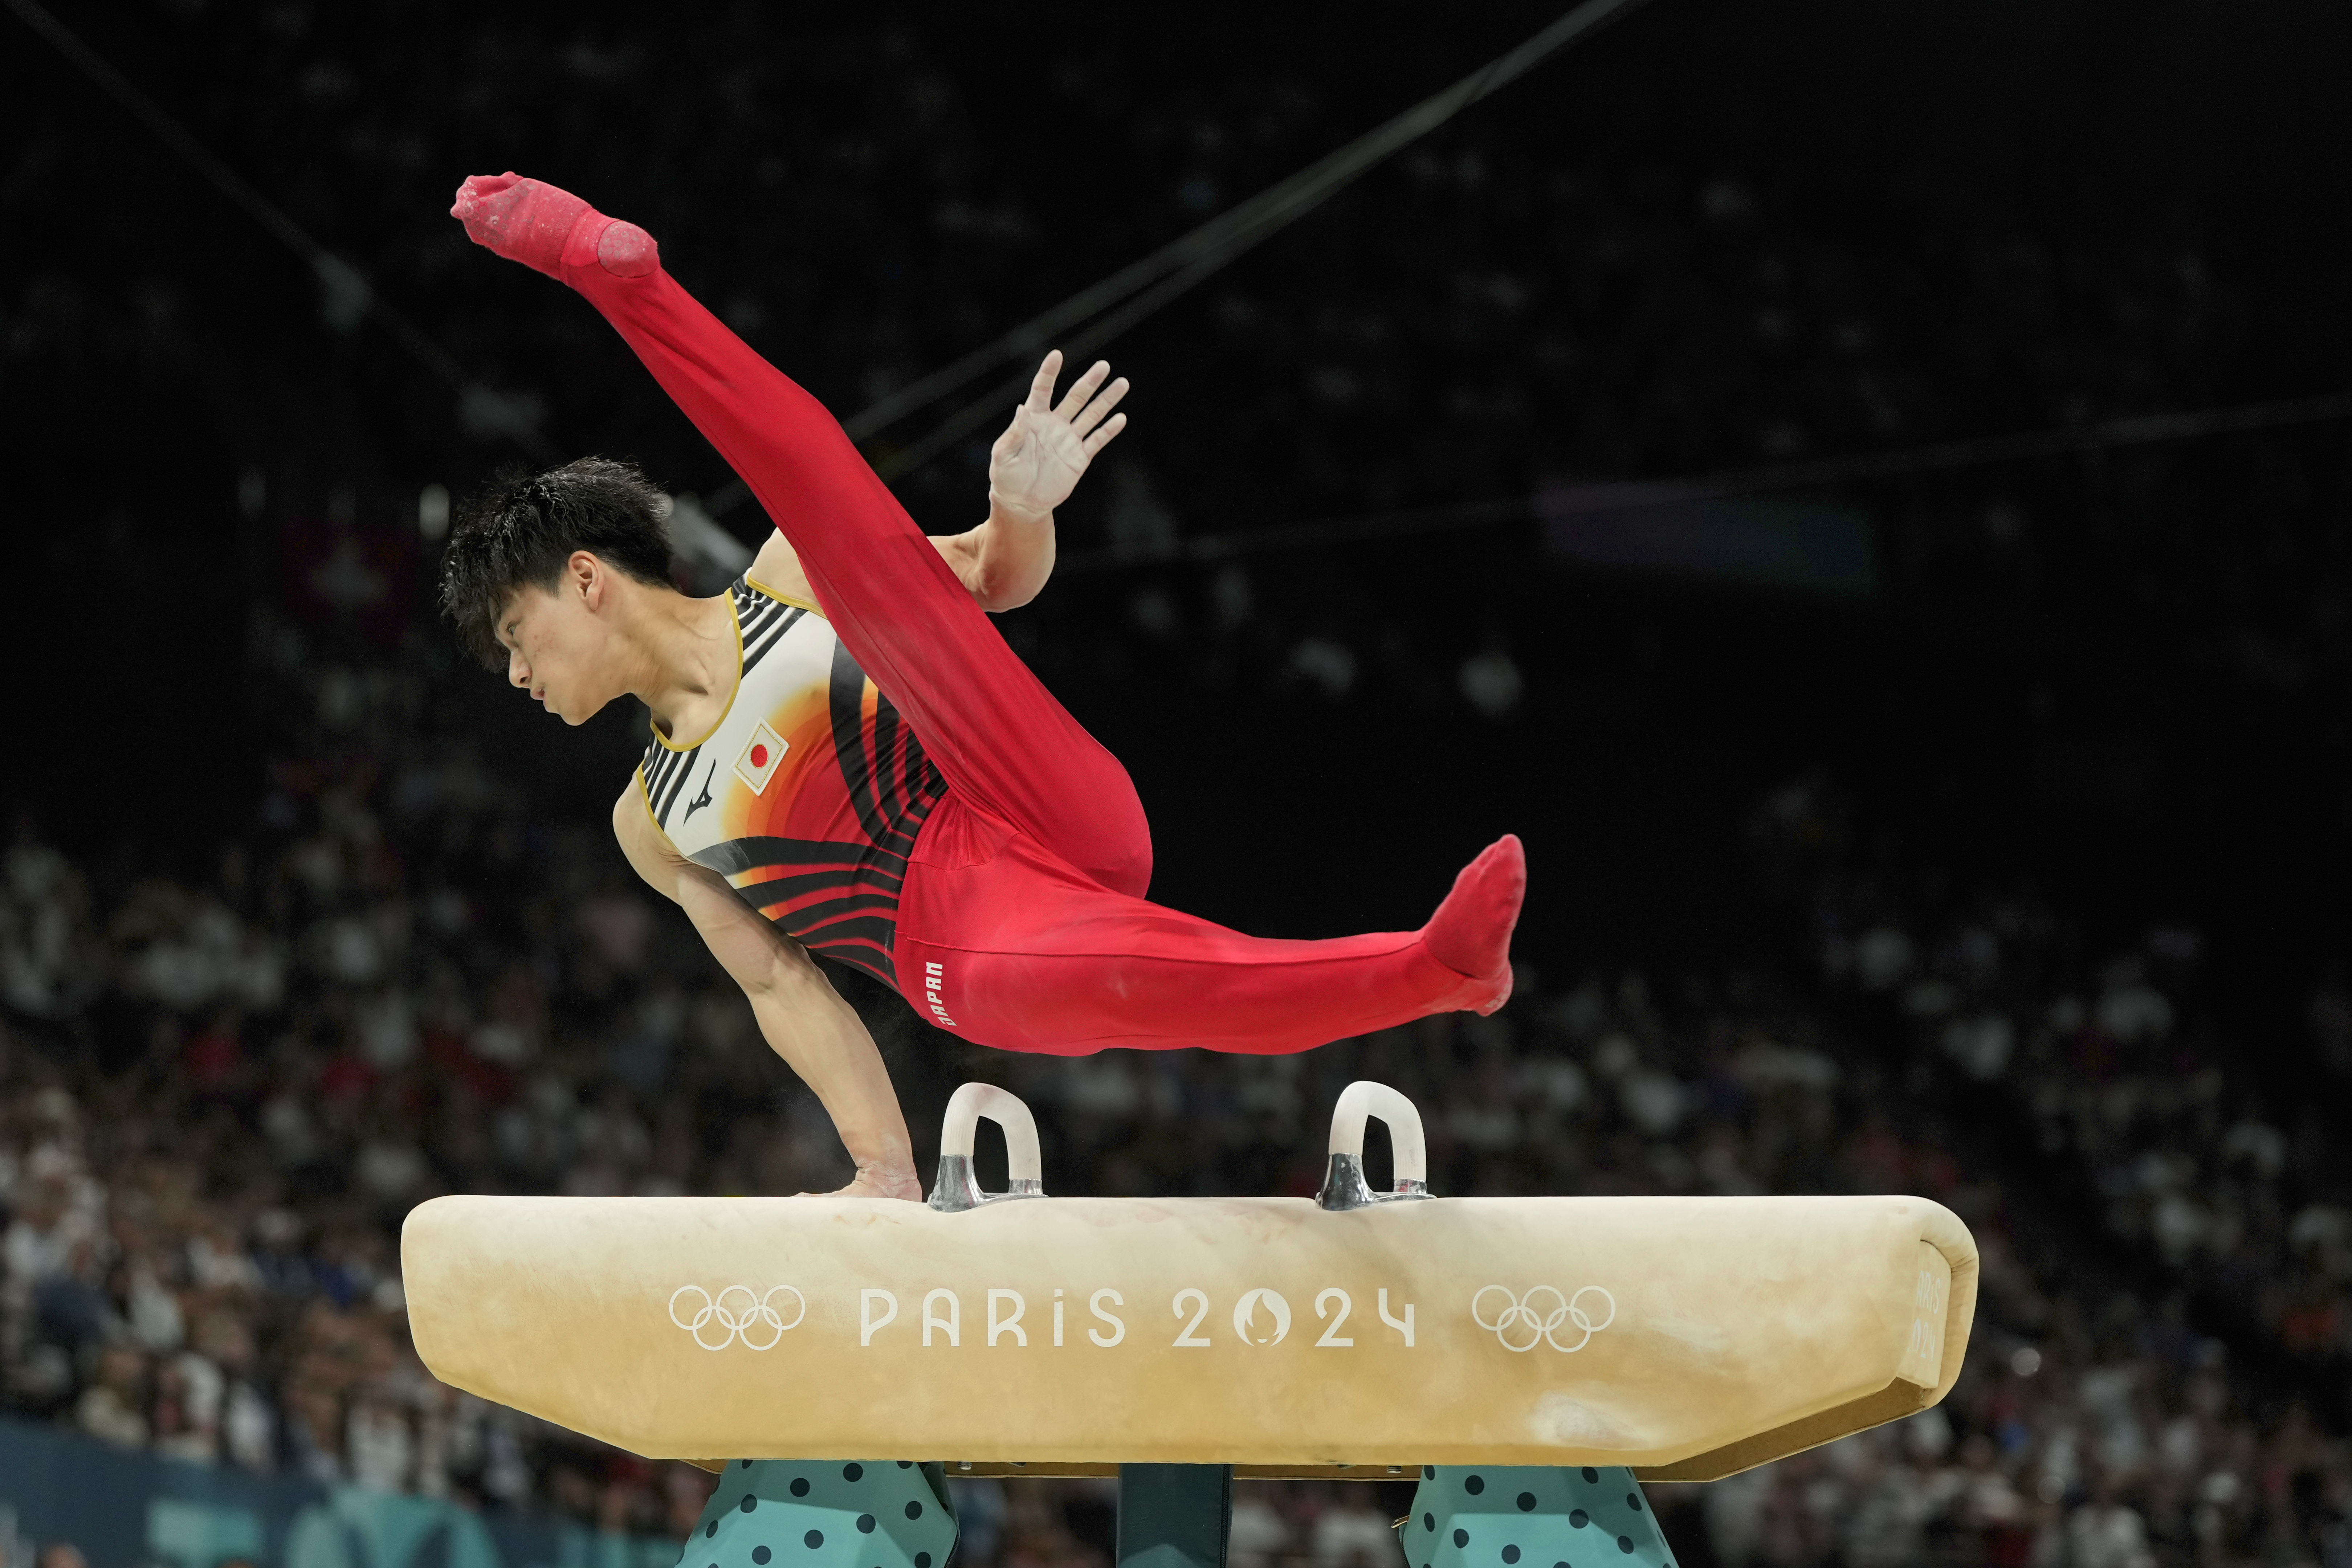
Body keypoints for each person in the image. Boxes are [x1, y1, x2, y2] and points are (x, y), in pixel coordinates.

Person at [439, 173, 1526, 1200]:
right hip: (958, 937)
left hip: (1024, 796)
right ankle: (1433, 969)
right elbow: (784, 987)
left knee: (831, 522)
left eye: (515, 636)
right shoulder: (653, 820)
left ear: (587, 579)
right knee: (1169, 973)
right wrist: (885, 1168)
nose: (519, 675)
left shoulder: (788, 577)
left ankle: (625, 282)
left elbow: (993, 585)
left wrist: (1021, 509)